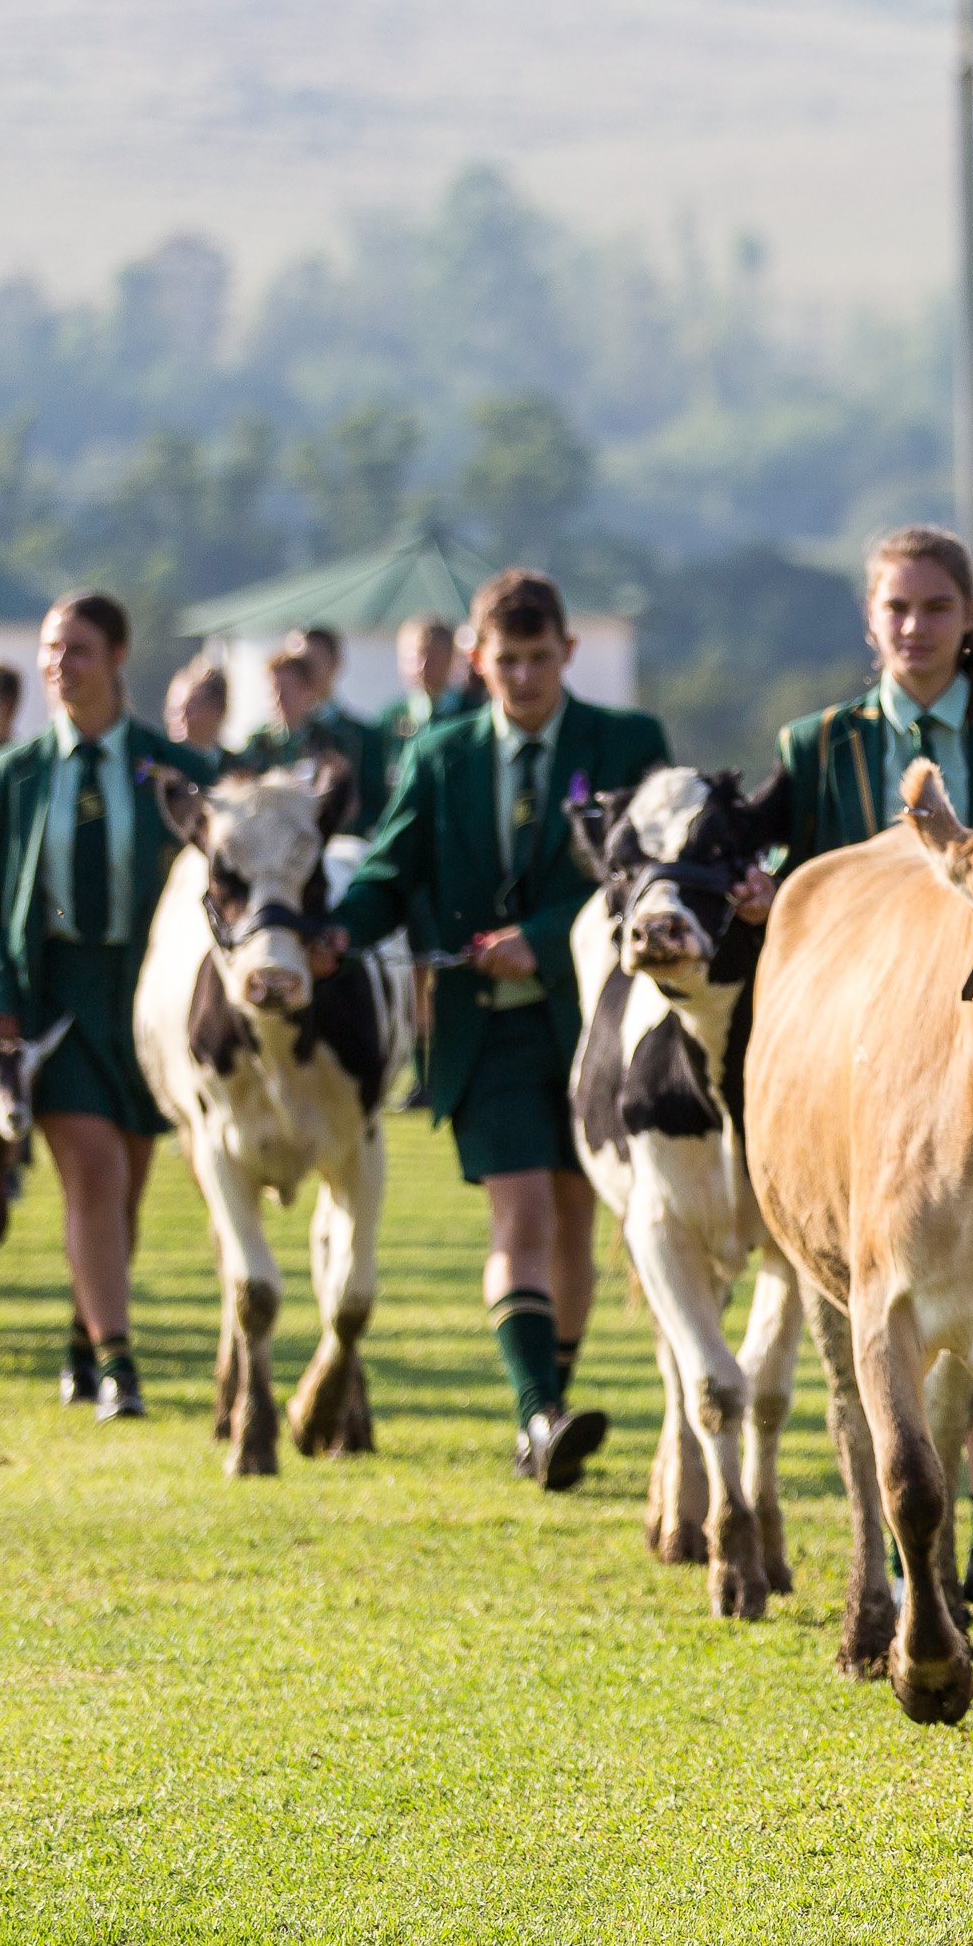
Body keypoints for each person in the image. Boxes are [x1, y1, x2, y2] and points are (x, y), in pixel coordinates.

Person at [774, 523, 973, 1612]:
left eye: (934, 607)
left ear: (967, 619)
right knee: (879, 1302)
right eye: (895, 608)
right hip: (859, 1039)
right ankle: (901, 1543)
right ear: (871, 621)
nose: (914, 626)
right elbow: (780, 865)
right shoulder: (819, 743)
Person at [335, 569, 671, 1489]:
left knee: (573, 1219)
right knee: (518, 1211)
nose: (522, 677)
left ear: (567, 653)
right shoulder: (439, 754)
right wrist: (333, 930)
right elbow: (390, 868)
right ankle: (538, 1409)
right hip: (484, 1034)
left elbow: (646, 869)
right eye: (505, 660)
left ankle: (546, 1417)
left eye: (538, 658)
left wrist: (547, 939)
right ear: (477, 660)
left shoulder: (627, 742)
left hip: (597, 1027)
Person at [0, 592, 222, 1419]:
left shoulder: (177, 770)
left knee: (125, 1190)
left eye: (80, 648)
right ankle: (118, 1366)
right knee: (92, 1176)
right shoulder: (8, 775)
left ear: (118, 657)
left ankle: (81, 1336)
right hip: (53, 1001)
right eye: (50, 648)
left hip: (150, 999)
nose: (61, 663)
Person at [237, 637, 390, 835]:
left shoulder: (335, 740)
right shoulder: (259, 743)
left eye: (287, 690)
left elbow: (364, 806)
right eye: (273, 690)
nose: (279, 699)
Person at [383, 617, 481, 773]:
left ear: (451, 657)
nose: (421, 666)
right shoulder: (389, 718)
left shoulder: (475, 714)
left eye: (432, 656)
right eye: (413, 657)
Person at [165, 660, 230, 754]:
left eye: (189, 710)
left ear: (218, 711)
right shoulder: (155, 763)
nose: (180, 718)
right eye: (174, 711)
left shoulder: (235, 767)